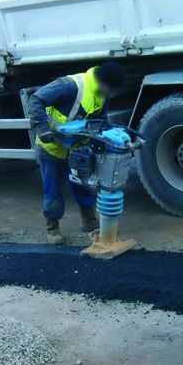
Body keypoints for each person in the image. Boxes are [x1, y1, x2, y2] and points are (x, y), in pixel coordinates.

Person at [28, 62, 126, 245]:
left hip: (76, 148)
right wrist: (42, 128)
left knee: (84, 184)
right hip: (51, 147)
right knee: (54, 190)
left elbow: (100, 121)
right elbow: (36, 100)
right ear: (104, 82)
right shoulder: (70, 85)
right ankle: (53, 227)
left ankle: (89, 220)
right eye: (110, 89)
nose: (110, 94)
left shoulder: (102, 95)